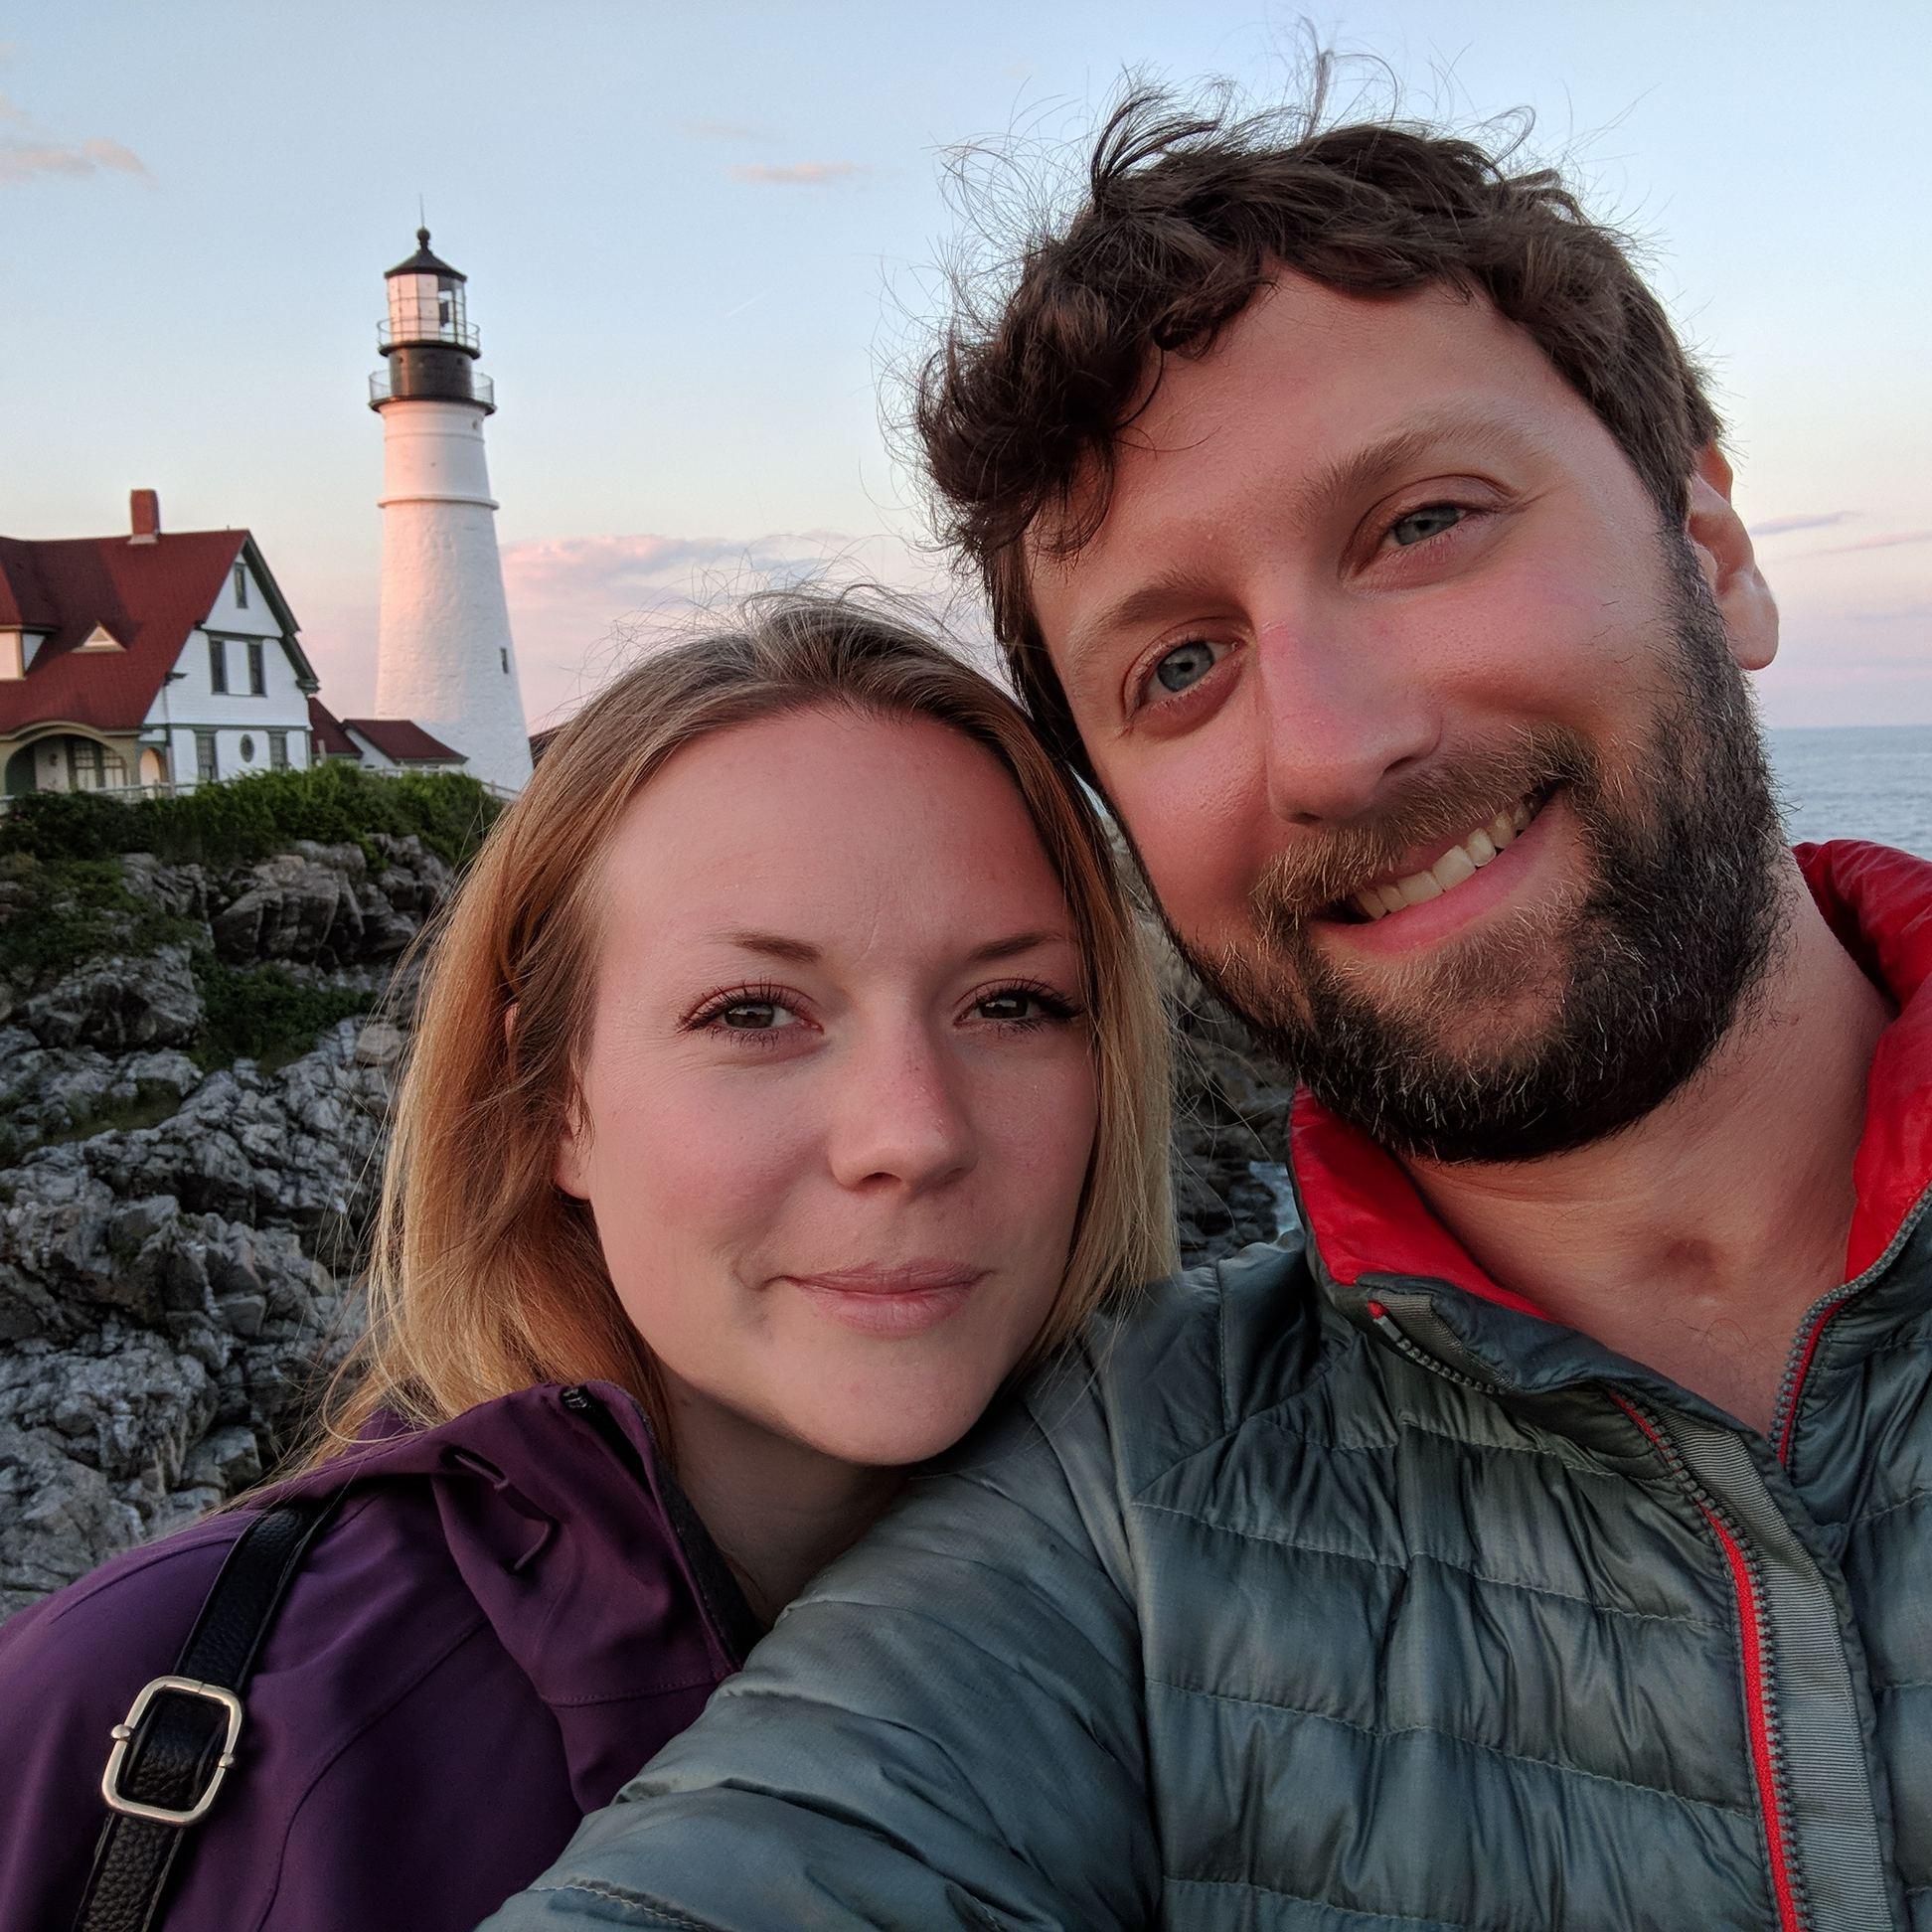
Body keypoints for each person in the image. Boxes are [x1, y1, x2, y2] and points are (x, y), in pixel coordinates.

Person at [483, 88, 1932, 1932]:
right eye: (1179, 665)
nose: (1337, 747)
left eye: (1423, 523)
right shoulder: (1114, 1526)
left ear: (1712, 548)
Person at [0, 591, 1174, 1932]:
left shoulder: (1260, 1662)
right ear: (553, 1097)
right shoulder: (115, 1706)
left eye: (1012, 1003)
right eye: (755, 1012)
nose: (912, 1134)